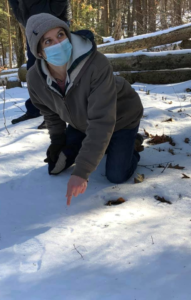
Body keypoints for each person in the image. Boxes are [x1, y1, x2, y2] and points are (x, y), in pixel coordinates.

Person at [25, 13, 144, 206]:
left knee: (116, 175)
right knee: (57, 164)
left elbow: (102, 121)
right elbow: (49, 111)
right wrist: (57, 140)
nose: (58, 43)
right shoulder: (34, 78)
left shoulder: (96, 64)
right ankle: (101, 145)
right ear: (39, 51)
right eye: (48, 41)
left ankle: (131, 143)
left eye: (61, 35)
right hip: (82, 123)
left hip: (122, 117)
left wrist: (82, 173)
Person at [8, 0, 71, 128]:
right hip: (33, 27)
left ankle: (56, 113)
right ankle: (35, 109)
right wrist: (25, 19)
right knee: (33, 69)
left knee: (56, 69)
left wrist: (52, 12)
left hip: (54, 23)